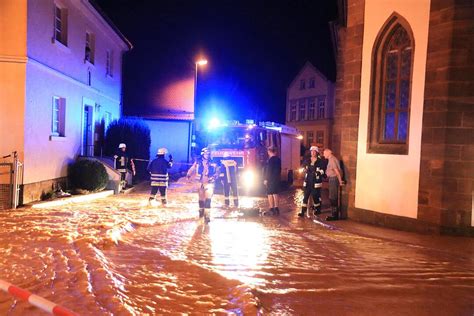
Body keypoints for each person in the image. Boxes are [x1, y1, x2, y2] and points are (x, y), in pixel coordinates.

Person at [186, 147, 217, 223]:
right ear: (203, 154)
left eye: (208, 153)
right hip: (200, 183)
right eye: (206, 153)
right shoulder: (198, 162)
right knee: (201, 199)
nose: (207, 155)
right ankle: (201, 213)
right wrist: (188, 175)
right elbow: (192, 168)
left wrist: (214, 177)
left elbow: (217, 172)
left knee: (208, 199)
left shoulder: (213, 162)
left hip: (209, 183)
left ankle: (207, 216)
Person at [298, 146, 325, 217]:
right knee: (305, 196)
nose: (312, 153)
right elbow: (302, 167)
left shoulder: (320, 161)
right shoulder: (307, 160)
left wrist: (317, 172)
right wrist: (304, 170)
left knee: (315, 196)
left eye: (314, 151)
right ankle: (303, 211)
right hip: (308, 181)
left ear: (317, 152)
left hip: (316, 182)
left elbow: (323, 171)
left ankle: (317, 209)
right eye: (312, 151)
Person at [323, 149, 344, 221]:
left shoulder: (332, 160)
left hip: (333, 179)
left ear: (329, 153)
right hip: (332, 179)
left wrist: (340, 181)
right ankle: (334, 214)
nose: (323, 155)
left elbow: (337, 171)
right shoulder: (332, 159)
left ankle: (334, 215)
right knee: (332, 196)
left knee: (333, 196)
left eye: (324, 153)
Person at [263, 146, 281, 215]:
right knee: (275, 193)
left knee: (270, 193)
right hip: (276, 178)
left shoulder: (270, 160)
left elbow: (268, 170)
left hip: (270, 179)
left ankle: (271, 208)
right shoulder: (278, 159)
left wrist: (266, 179)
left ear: (269, 151)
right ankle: (276, 208)